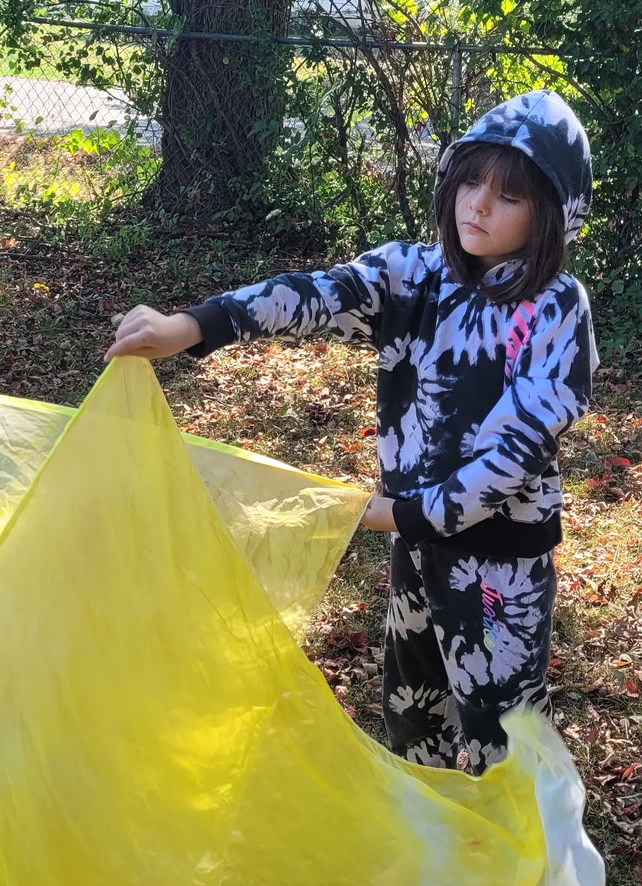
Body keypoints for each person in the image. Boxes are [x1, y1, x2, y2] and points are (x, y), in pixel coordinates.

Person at [107, 91, 597, 774]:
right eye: (470, 180)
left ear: (551, 214)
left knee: (501, 732)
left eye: (508, 196)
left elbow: (515, 451)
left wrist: (394, 513)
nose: (477, 205)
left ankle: (528, 867)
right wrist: (192, 326)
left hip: (497, 572)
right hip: (413, 551)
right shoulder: (412, 277)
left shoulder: (554, 310)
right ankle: (435, 849)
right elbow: (315, 294)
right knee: (410, 713)